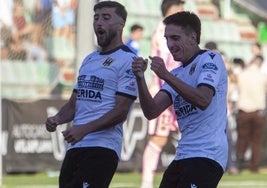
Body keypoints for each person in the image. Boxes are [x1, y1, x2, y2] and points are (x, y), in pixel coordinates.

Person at [45, 1, 138, 187]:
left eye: (106, 17)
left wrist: (84, 129)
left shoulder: (128, 60)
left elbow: (121, 111)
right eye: (96, 18)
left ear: (121, 24)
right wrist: (57, 119)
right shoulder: (90, 59)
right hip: (76, 146)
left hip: (102, 147)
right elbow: (74, 104)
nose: (99, 23)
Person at [132, 11, 228, 187]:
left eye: (175, 38)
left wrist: (166, 76)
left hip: (208, 154)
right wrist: (140, 78)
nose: (170, 45)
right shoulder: (177, 73)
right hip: (183, 154)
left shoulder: (211, 59)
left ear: (193, 37)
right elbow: (151, 111)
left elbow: (203, 100)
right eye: (167, 39)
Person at [140, 1, 184, 187]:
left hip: (176, 89)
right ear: (170, 10)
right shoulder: (164, 32)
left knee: (188, 136)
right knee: (159, 139)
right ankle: (147, 182)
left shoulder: (174, 31)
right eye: (179, 8)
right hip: (165, 92)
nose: (182, 11)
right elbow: (168, 63)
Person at [235, 55, 267, 173]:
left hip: (243, 110)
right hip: (258, 112)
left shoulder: (241, 75)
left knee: (242, 139)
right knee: (256, 141)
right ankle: (254, 166)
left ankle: (239, 163)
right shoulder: (263, 76)